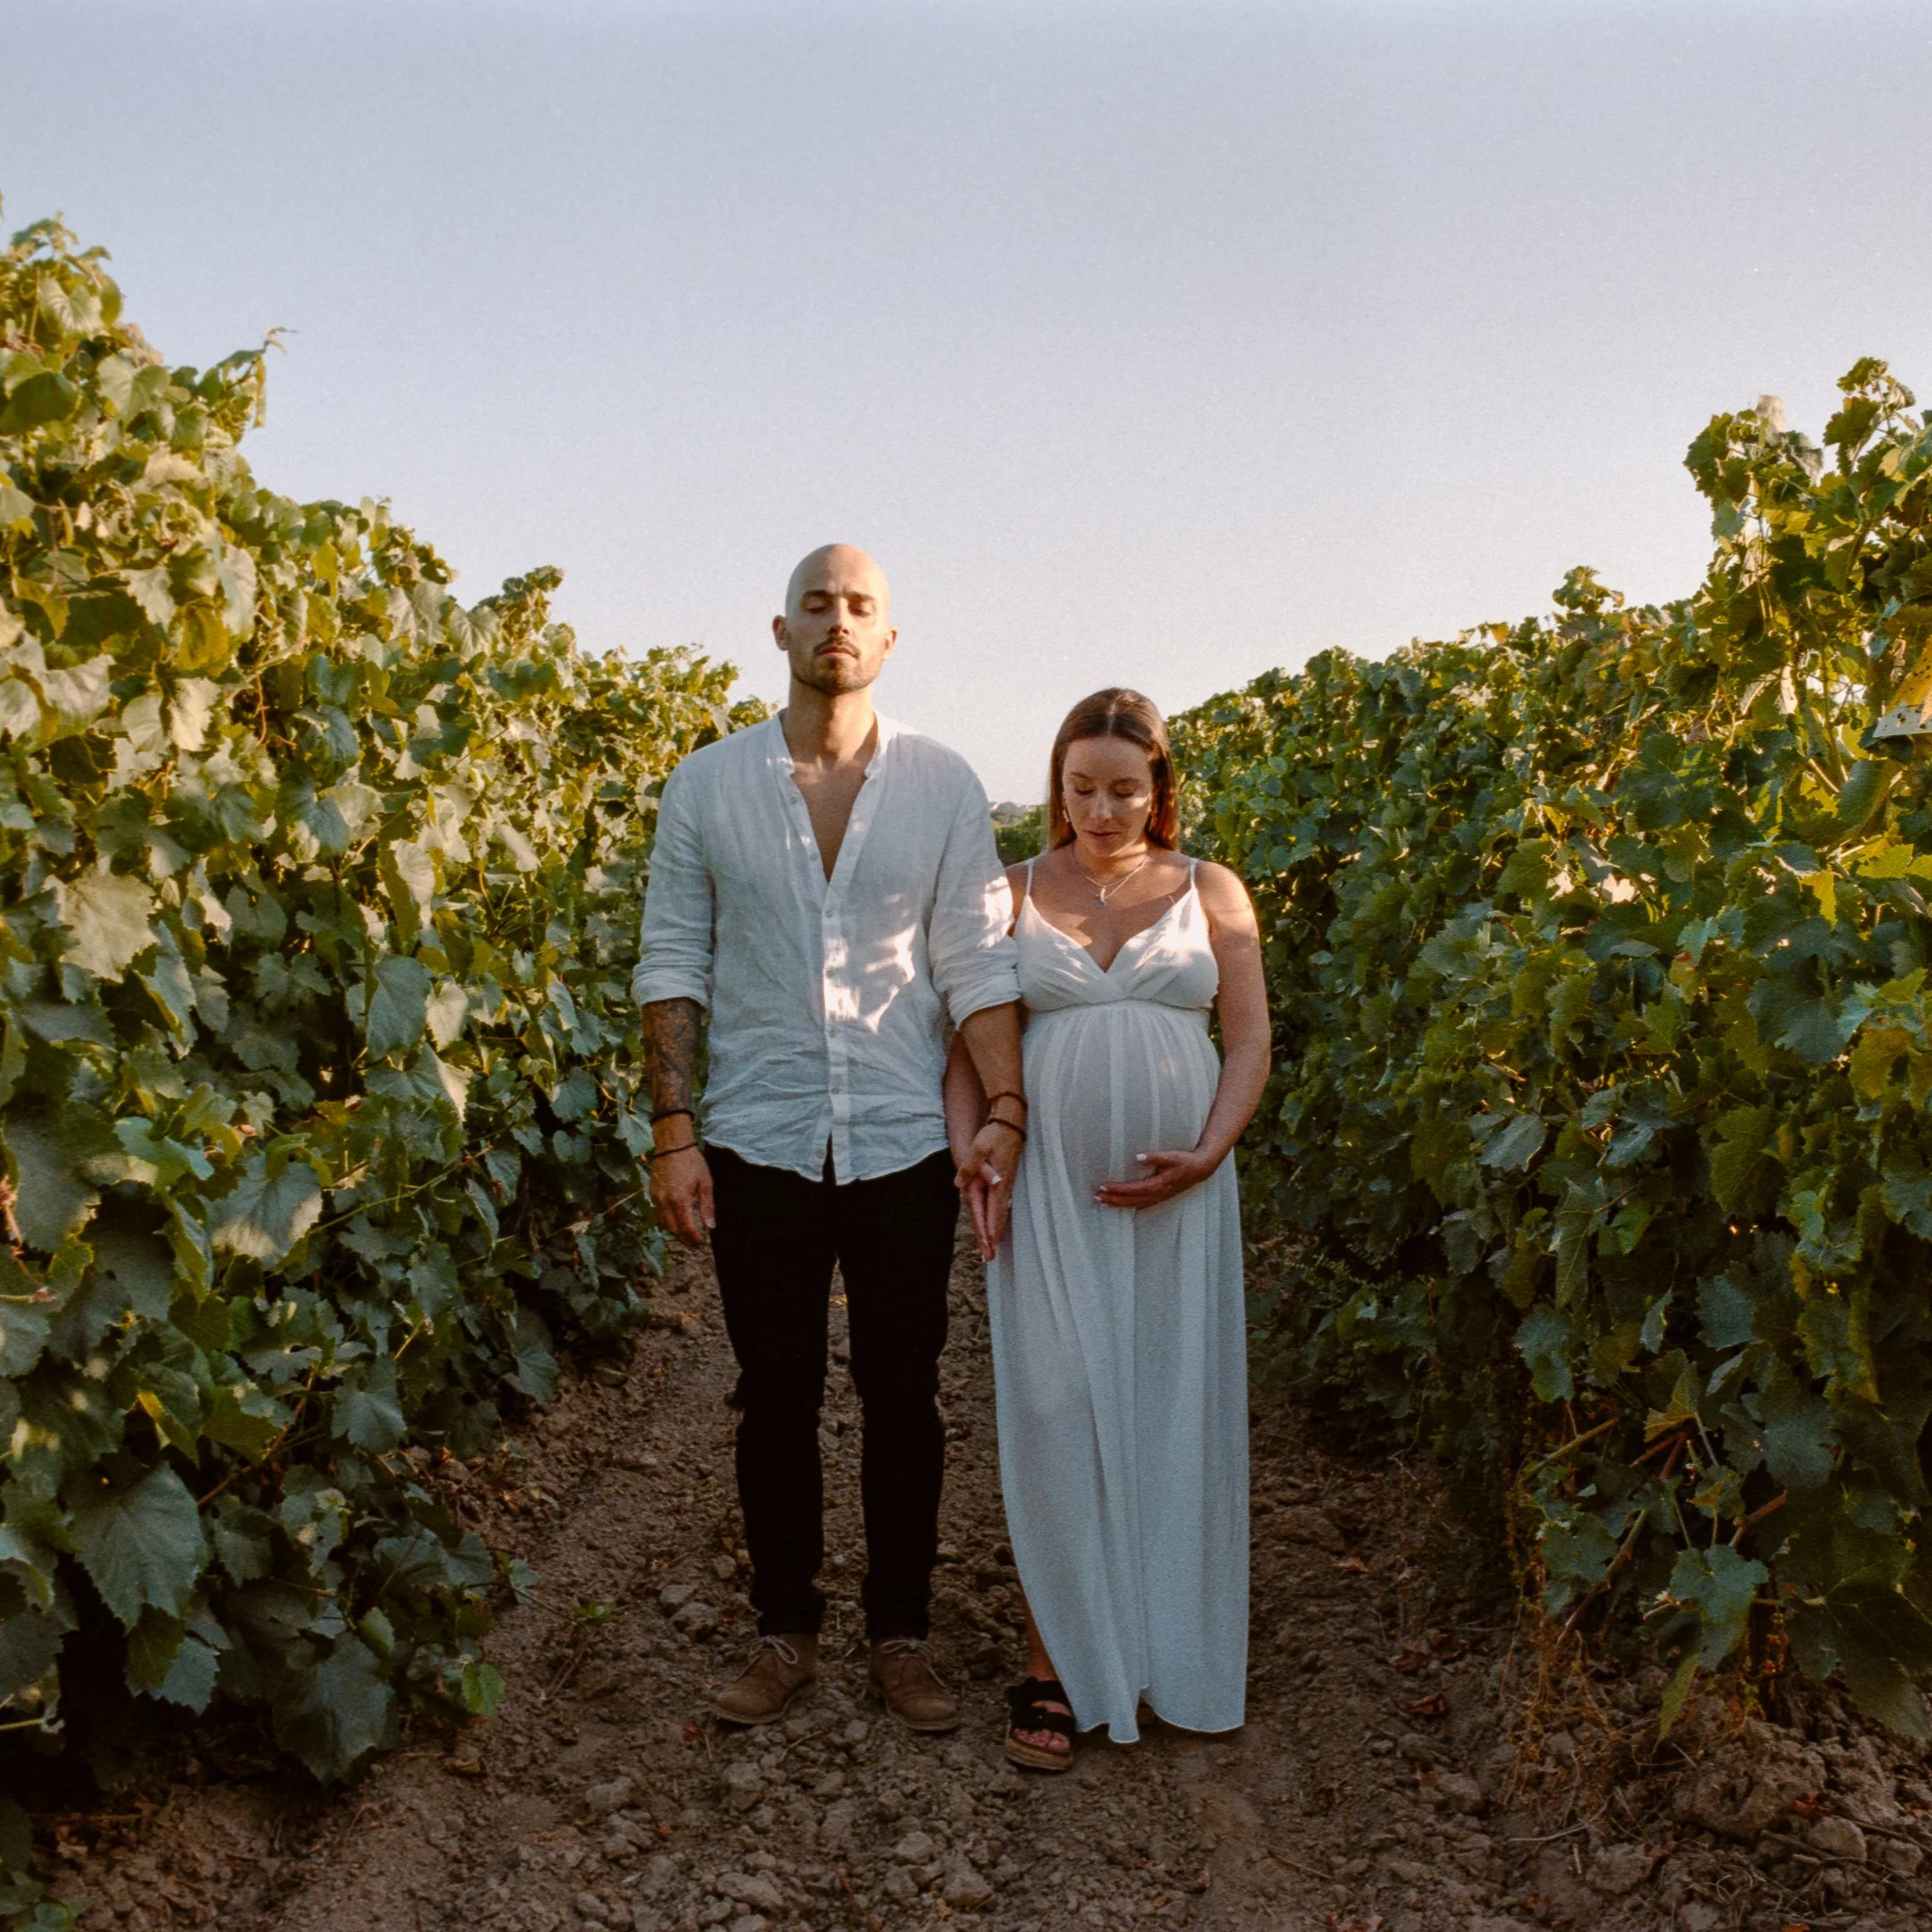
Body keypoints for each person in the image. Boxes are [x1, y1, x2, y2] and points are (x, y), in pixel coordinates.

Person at [632, 545, 1026, 1733]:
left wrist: (1003, 1109)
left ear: (888, 639)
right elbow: (672, 961)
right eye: (818, 605)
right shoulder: (705, 785)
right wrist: (672, 1127)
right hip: (757, 1136)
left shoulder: (945, 786)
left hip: (907, 1135)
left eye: (860, 607)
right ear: (781, 630)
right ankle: (785, 1628)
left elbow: (976, 962)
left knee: (905, 1392)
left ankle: (902, 1634)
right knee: (777, 1390)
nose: (838, 623)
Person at [945, 689, 1270, 1768]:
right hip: (1046, 1192)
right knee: (1055, 1402)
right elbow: (964, 1051)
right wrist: (973, 1158)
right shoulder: (1008, 894)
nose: (1101, 809)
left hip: (1182, 1195)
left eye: (1124, 788)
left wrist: (1211, 1148)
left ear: (1160, 788)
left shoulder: (1211, 890)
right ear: (1058, 786)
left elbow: (1250, 1044)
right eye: (1081, 788)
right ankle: (1054, 1662)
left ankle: (1169, 1655)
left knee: (1169, 1402)